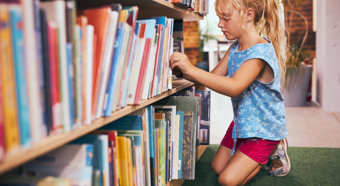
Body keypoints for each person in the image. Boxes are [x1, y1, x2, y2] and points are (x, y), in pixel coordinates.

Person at [170, 0, 291, 185]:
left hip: (264, 130)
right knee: (218, 167)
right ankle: (257, 157)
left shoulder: (260, 53)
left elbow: (234, 87)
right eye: (219, 18)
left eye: (225, 18)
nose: (220, 24)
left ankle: (274, 147)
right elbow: (212, 78)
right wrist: (182, 70)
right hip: (242, 124)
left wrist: (191, 68)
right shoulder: (235, 48)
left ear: (248, 15)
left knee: (227, 180)